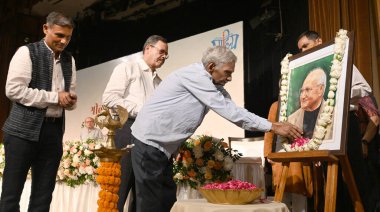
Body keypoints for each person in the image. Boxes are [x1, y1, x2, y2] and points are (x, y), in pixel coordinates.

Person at [130, 46, 303, 212]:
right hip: (149, 144)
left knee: (166, 201)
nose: (230, 78)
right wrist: (273, 126)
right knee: (152, 203)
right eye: (228, 72)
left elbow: (237, 111)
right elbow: (232, 113)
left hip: (161, 149)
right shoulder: (196, 76)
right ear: (211, 66)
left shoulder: (213, 84)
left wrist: (274, 125)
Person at [0, 11, 77, 212]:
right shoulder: (26, 52)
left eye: (68, 37)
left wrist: (69, 101)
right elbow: (14, 90)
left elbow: (68, 93)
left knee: (43, 197)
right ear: (46, 29)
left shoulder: (70, 60)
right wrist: (54, 97)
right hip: (21, 133)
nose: (64, 41)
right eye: (59, 35)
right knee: (11, 194)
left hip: (52, 132)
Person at [297, 30, 379, 211]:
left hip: (346, 124)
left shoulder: (339, 60)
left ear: (318, 41)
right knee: (331, 179)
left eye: (305, 45)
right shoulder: (307, 73)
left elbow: (365, 92)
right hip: (323, 128)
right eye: (300, 48)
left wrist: (337, 97)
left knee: (355, 178)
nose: (302, 51)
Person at [102, 35, 168, 212]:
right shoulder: (127, 68)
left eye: (166, 54)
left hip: (149, 136)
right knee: (119, 187)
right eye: (161, 51)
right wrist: (142, 110)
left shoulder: (160, 82)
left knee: (142, 191)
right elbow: (109, 98)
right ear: (148, 48)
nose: (164, 56)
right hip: (127, 130)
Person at [288, 67, 333, 140]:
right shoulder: (291, 119)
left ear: (320, 89)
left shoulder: (334, 116)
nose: (302, 96)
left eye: (307, 90)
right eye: (302, 91)